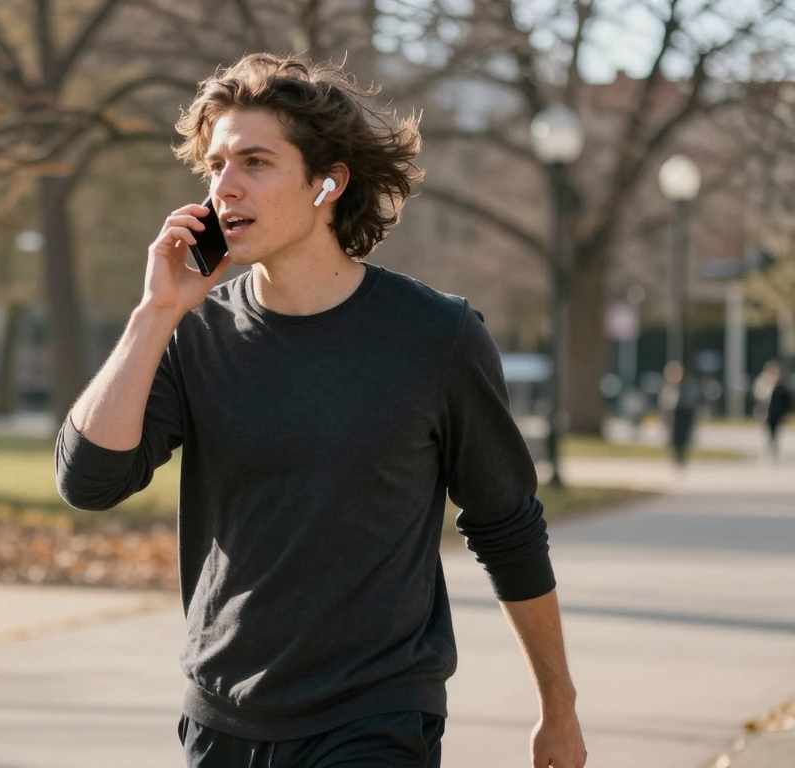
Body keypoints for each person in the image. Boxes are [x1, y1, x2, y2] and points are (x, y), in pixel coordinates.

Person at [55, 54, 586, 768]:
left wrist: (559, 708)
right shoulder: (195, 332)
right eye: (214, 166)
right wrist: (155, 313)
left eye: (254, 162)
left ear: (328, 182)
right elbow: (89, 482)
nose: (224, 188)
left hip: (374, 718)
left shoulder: (436, 336)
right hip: (222, 720)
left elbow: (507, 528)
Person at [659, 361, 697, 467]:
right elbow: (665, 406)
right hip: (673, 417)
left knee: (683, 439)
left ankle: (681, 458)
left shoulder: (687, 386)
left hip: (683, 415)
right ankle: (677, 458)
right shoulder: (668, 389)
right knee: (674, 439)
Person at [753, 359, 792, 460]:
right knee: (769, 429)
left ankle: (774, 446)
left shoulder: (781, 386)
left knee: (776, 430)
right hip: (766, 412)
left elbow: (787, 400)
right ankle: (770, 445)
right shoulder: (763, 384)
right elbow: (758, 397)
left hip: (777, 413)